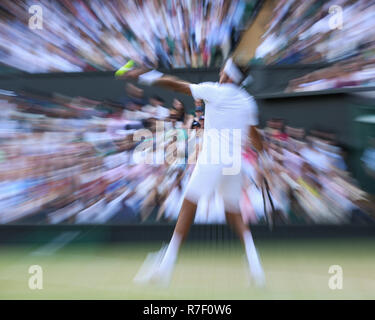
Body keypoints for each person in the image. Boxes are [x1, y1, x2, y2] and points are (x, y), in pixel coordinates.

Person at [123, 57, 266, 287]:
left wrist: (146, 75)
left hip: (213, 159)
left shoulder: (215, 91)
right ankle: (255, 265)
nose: (220, 72)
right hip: (234, 163)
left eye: (223, 70)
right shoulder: (248, 102)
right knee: (233, 212)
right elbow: (257, 140)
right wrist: (261, 149)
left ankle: (165, 267)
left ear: (228, 75)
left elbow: (174, 84)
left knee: (188, 206)